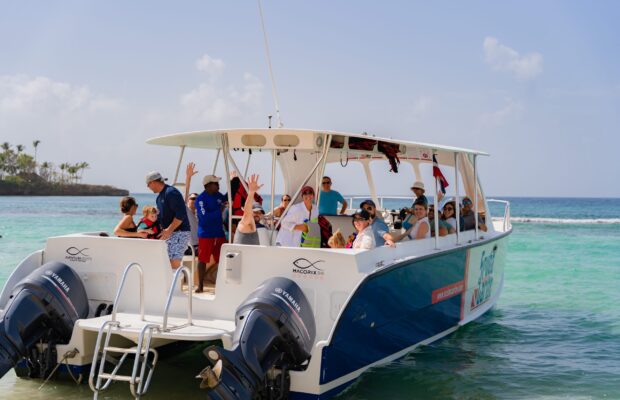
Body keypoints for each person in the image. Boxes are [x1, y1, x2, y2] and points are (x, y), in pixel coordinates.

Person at [146, 171, 191, 269]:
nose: (148, 187)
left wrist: (169, 230)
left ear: (153, 182)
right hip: (170, 233)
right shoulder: (159, 198)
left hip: (180, 232)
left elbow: (181, 214)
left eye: (148, 184)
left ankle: (175, 284)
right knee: (165, 264)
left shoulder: (171, 192)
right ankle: (169, 284)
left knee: (174, 264)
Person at [195, 174, 228, 292]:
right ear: (208, 185)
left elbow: (226, 199)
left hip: (219, 232)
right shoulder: (200, 199)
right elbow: (204, 217)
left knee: (223, 259)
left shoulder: (218, 195)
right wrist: (219, 211)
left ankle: (223, 285)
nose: (219, 185)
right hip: (206, 233)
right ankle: (200, 285)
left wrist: (233, 183)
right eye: (216, 183)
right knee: (202, 259)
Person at [233, 174, 264, 245]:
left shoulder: (253, 226)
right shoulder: (245, 224)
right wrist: (251, 192)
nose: (258, 214)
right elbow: (247, 214)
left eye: (260, 212)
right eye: (255, 212)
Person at [184, 162, 200, 255]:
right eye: (193, 198)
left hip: (199, 245)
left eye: (197, 199)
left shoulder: (200, 213)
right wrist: (188, 177)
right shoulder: (185, 211)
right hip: (190, 247)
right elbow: (186, 192)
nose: (195, 200)